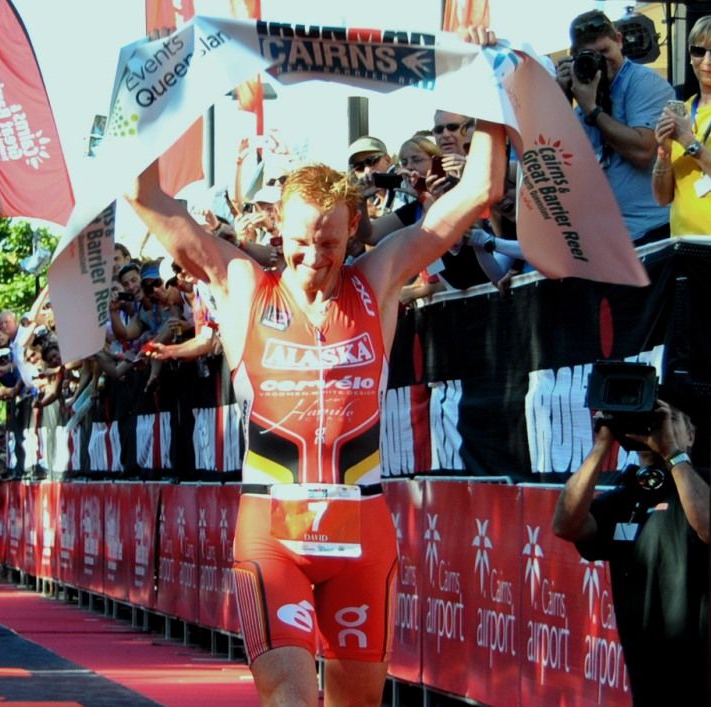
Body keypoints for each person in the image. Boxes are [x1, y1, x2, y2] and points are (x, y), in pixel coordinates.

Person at [125, 30, 505, 704]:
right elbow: (147, 198)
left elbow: (480, 189)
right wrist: (153, 90)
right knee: (291, 698)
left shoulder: (379, 277)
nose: (313, 257)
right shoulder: (244, 282)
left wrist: (488, 83)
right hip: (274, 530)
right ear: (278, 229)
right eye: (300, 241)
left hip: (362, 529)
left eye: (329, 242)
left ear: (353, 227)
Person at [552, 399, 709, 705]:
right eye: (651, 420)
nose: (657, 427)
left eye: (670, 418)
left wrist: (672, 454)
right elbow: (565, 525)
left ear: (691, 435)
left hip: (710, 679)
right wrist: (602, 446)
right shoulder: (625, 497)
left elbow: (710, 526)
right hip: (648, 680)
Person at [556, 9, 675, 244]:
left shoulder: (644, 83)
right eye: (589, 55)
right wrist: (561, 96)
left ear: (619, 40)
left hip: (649, 232)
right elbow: (558, 160)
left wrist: (593, 111)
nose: (599, 61)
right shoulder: (582, 90)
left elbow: (642, 151)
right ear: (574, 57)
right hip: (603, 239)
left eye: (604, 51)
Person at [651, 15, 711, 237]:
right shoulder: (684, 110)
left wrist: (688, 141)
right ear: (690, 56)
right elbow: (662, 198)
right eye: (699, 51)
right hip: (682, 241)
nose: (707, 60)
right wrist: (664, 150)